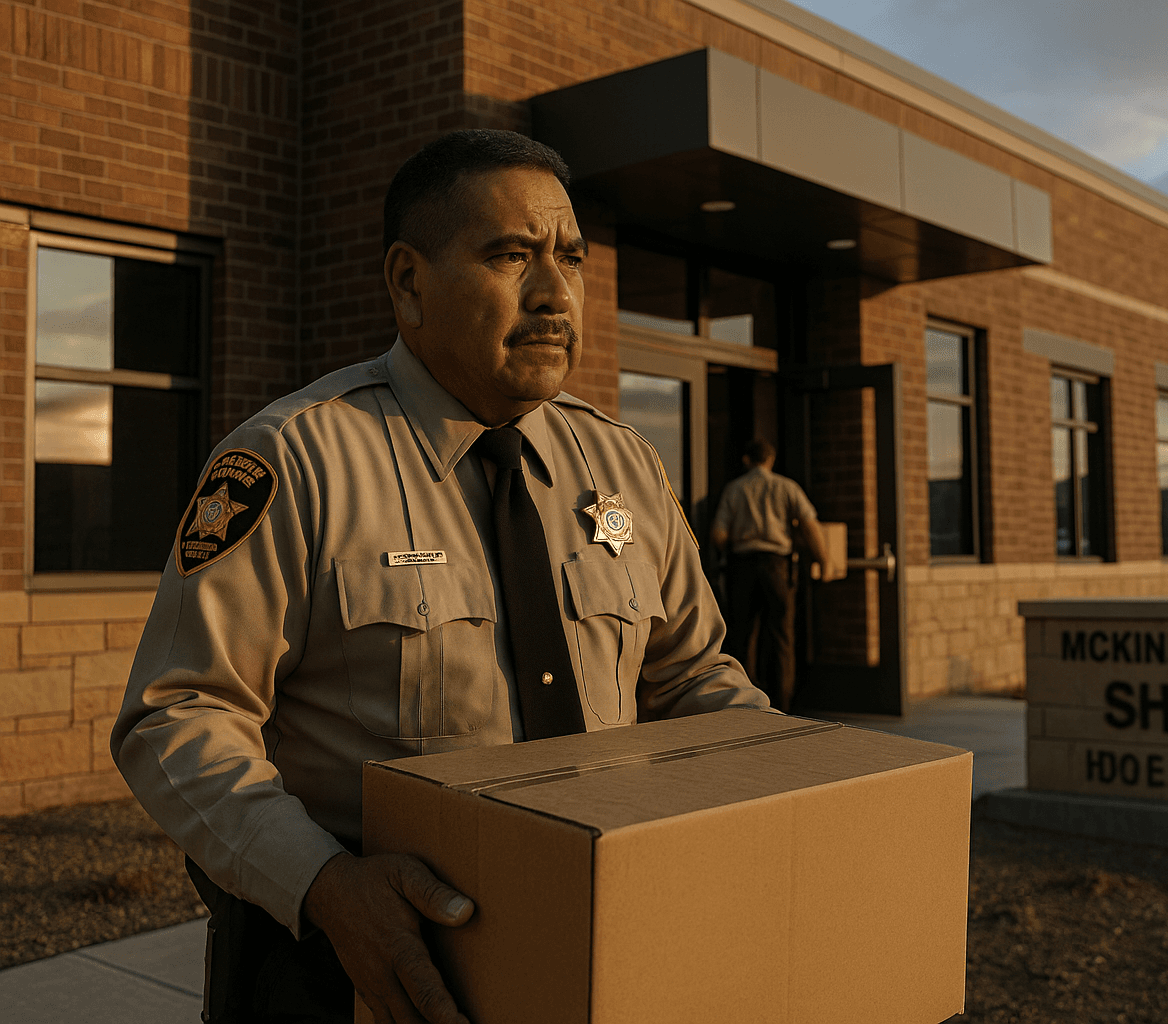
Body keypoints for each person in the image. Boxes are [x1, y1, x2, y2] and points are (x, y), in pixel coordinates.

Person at [111, 129, 769, 1024]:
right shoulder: (294, 460)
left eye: (570, 259)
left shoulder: (626, 469)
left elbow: (693, 678)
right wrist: (326, 886)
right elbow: (178, 714)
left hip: (593, 940)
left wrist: (781, 793)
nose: (553, 293)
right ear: (409, 282)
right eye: (511, 256)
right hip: (353, 965)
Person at [709, 440, 829, 711]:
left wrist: (724, 553)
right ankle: (783, 704)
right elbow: (810, 525)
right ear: (771, 459)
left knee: (743, 635)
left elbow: (719, 534)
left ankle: (746, 703)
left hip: (742, 566)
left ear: (746, 460)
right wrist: (825, 561)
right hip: (777, 566)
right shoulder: (787, 487)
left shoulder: (735, 489)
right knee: (781, 636)